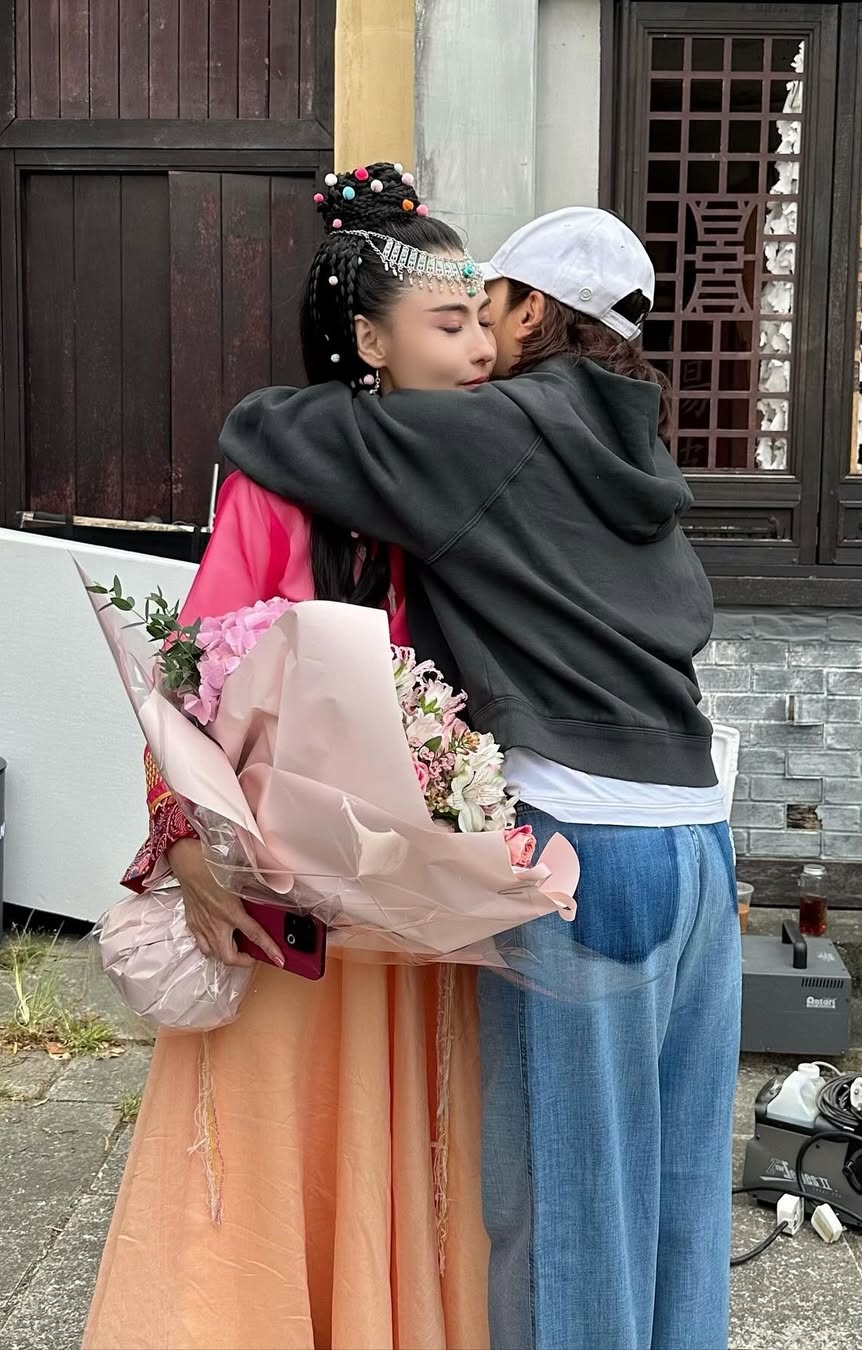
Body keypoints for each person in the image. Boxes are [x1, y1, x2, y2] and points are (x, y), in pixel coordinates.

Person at [219, 205, 741, 1350]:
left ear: (535, 312)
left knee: (565, 1225)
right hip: (703, 846)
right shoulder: (640, 455)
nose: (474, 341)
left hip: (587, 857)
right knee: (681, 1214)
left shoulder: (499, 430)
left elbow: (266, 426)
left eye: (485, 309)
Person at [82, 164, 498, 1350]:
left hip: (414, 892)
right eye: (451, 322)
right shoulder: (280, 480)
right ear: (369, 340)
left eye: (483, 321)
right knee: (279, 1149)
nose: (481, 348)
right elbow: (189, 680)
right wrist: (187, 842)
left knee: (400, 1142)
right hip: (288, 889)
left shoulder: (475, 471)